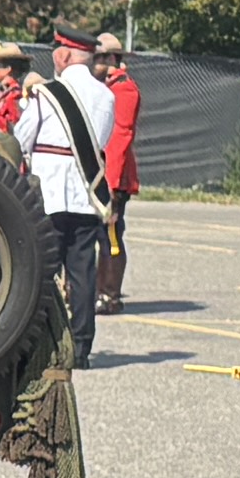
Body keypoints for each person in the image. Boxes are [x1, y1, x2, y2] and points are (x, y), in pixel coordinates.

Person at [4, 43, 106, 359]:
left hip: (48, 194)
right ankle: (82, 348)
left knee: (44, 272)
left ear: (62, 57)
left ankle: (44, 346)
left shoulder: (47, 94)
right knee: (83, 274)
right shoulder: (106, 96)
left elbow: (20, 140)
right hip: (86, 194)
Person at [88, 29, 141, 302]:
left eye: (98, 58)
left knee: (110, 235)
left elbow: (119, 139)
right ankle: (99, 290)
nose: (93, 63)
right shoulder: (107, 88)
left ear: (111, 59)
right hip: (102, 173)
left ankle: (110, 294)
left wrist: (111, 182)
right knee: (99, 234)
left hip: (114, 176)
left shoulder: (124, 89)